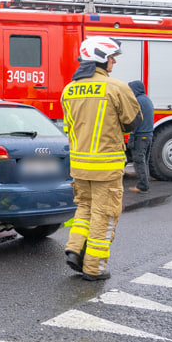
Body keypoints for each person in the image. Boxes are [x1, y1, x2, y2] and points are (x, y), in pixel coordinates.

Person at [61, 36, 141, 281]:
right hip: (105, 166)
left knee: (84, 208)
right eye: (111, 58)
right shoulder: (115, 87)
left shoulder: (68, 89)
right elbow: (133, 123)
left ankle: (74, 249)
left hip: (79, 167)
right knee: (104, 215)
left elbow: (69, 127)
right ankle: (94, 269)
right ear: (101, 59)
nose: (114, 62)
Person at [127, 80, 154, 193]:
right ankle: (144, 183)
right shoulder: (146, 99)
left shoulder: (137, 101)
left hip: (140, 136)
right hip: (148, 135)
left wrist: (131, 137)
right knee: (144, 161)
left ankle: (143, 186)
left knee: (139, 160)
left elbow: (136, 121)